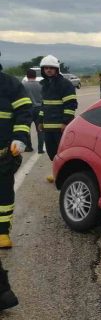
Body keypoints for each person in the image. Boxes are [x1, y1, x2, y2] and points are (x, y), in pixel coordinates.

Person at [0, 57, 32, 249]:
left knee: (3, 194)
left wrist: (20, 137)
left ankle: (2, 232)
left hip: (3, 153)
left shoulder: (11, 84)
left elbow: (24, 112)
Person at [39, 55, 77, 182]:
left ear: (56, 69)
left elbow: (70, 104)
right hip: (48, 126)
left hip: (60, 127)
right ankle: (56, 174)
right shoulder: (44, 85)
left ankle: (65, 177)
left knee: (62, 153)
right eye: (46, 68)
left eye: (51, 68)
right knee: (51, 152)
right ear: (42, 70)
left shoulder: (65, 84)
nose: (48, 70)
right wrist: (40, 121)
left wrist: (65, 122)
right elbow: (43, 105)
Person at [22, 69, 44, 153]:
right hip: (39, 109)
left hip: (28, 109)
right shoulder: (41, 85)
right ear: (35, 76)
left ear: (27, 76)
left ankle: (29, 147)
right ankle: (40, 149)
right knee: (40, 129)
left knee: (27, 129)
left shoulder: (23, 85)